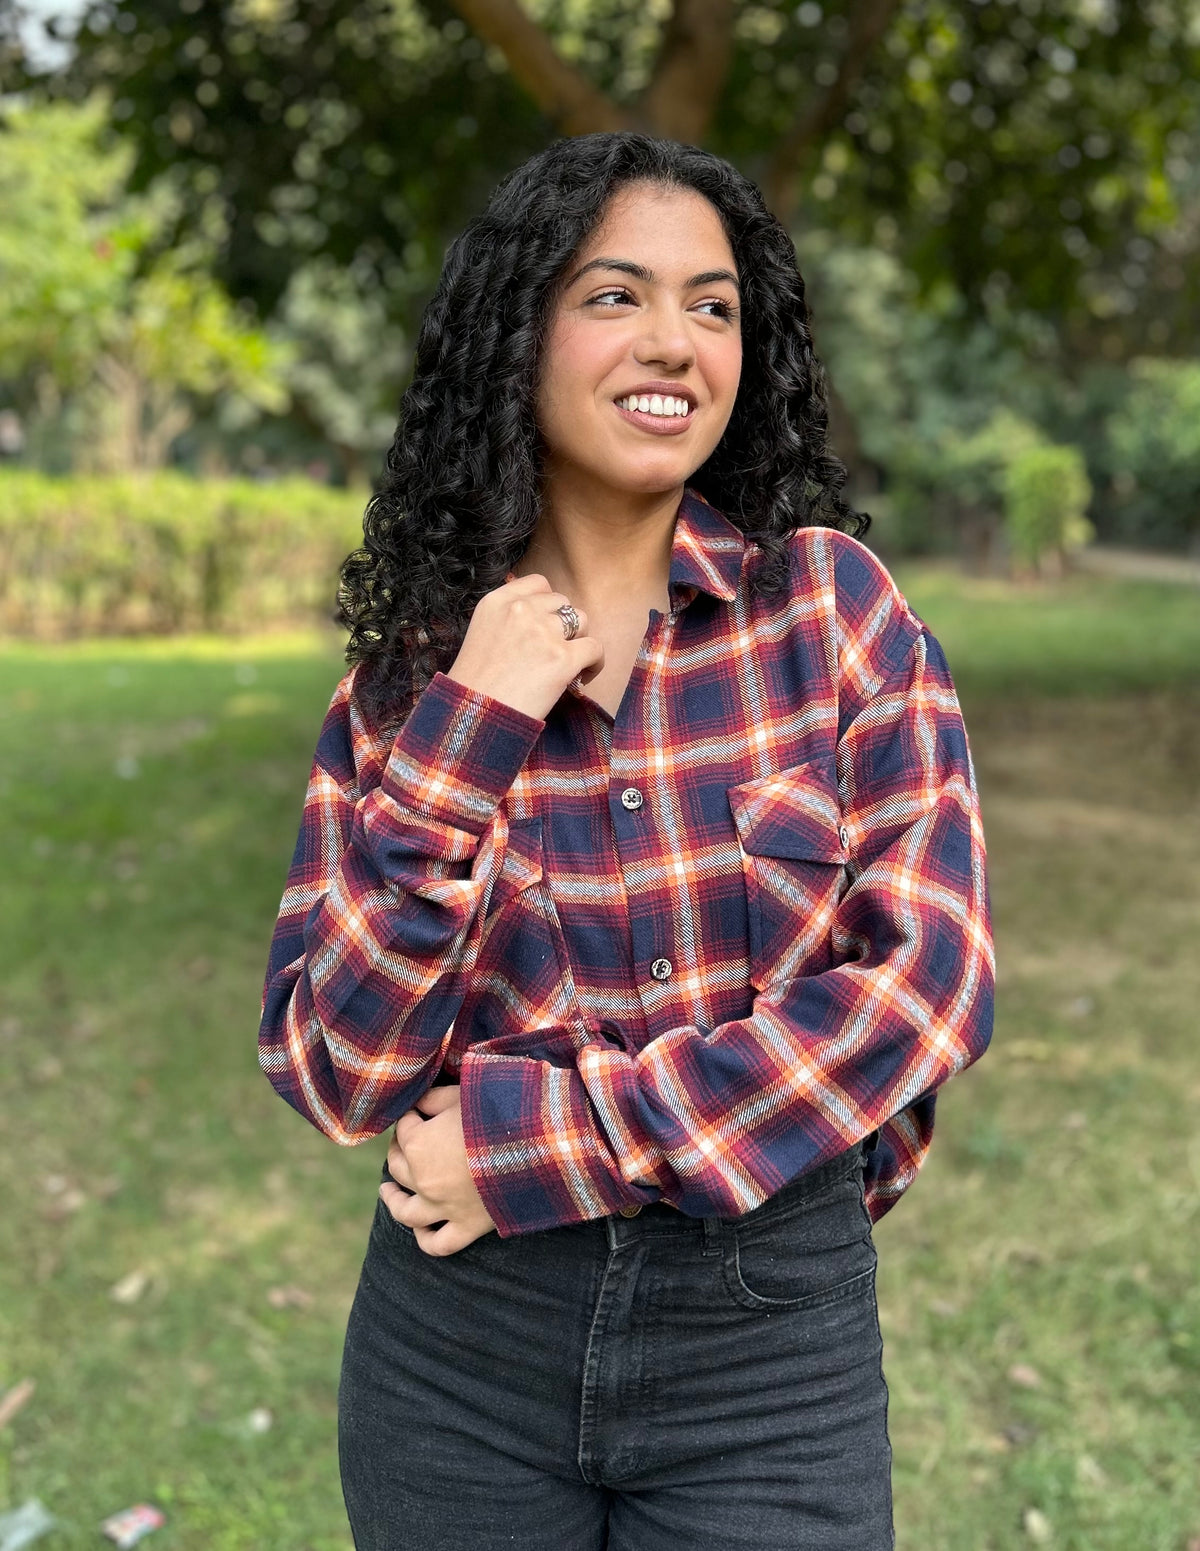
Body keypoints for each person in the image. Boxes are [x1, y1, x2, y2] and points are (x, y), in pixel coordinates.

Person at [257, 131, 994, 1551]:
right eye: (614, 296)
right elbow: (338, 1073)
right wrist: (469, 730)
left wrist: (555, 1142)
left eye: (711, 305)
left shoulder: (833, 614)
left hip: (767, 1343)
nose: (673, 341)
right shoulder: (415, 685)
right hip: (461, 1355)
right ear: (516, 334)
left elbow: (925, 984)